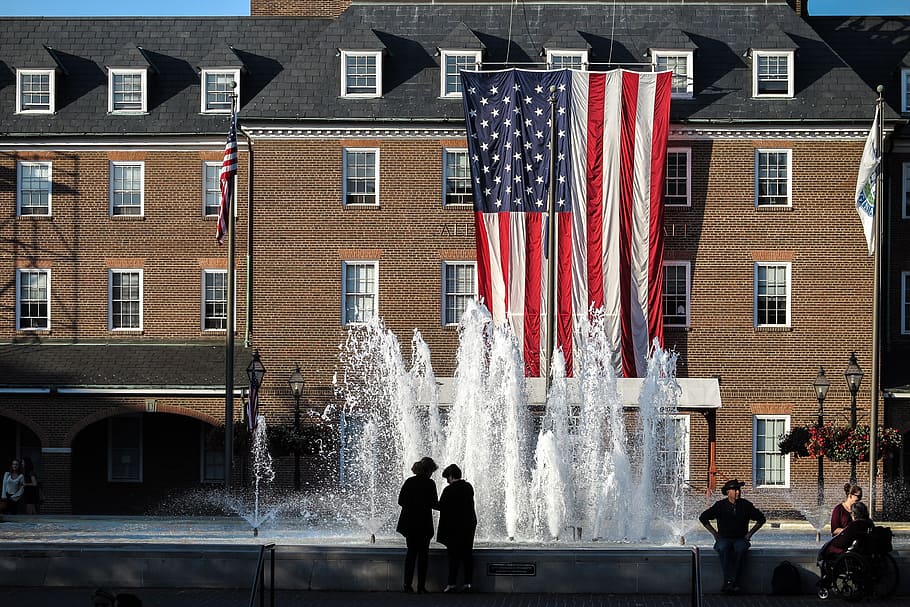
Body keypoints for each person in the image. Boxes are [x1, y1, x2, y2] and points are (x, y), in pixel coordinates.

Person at [699, 479, 766, 594]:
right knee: (723, 548)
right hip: (724, 538)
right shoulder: (720, 505)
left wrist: (749, 534)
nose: (738, 492)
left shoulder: (746, 505)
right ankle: (731, 583)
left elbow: (761, 519)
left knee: (740, 549)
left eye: (738, 490)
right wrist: (715, 534)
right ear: (728, 492)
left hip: (740, 539)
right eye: (735, 490)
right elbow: (703, 517)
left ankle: (730, 583)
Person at [396, 456, 439, 593]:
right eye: (432, 471)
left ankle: (407, 586)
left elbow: (401, 501)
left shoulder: (409, 482)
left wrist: (412, 506)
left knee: (411, 554)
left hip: (410, 524)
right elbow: (434, 504)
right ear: (428, 470)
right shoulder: (430, 483)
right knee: (423, 556)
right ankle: (421, 587)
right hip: (424, 524)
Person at [436, 464, 477, 593]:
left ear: (451, 476)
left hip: (453, 527)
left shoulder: (449, 490)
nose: (447, 481)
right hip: (468, 525)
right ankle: (468, 583)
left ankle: (451, 584)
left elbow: (441, 506)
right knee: (467, 554)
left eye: (447, 478)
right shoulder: (468, 487)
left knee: (453, 556)